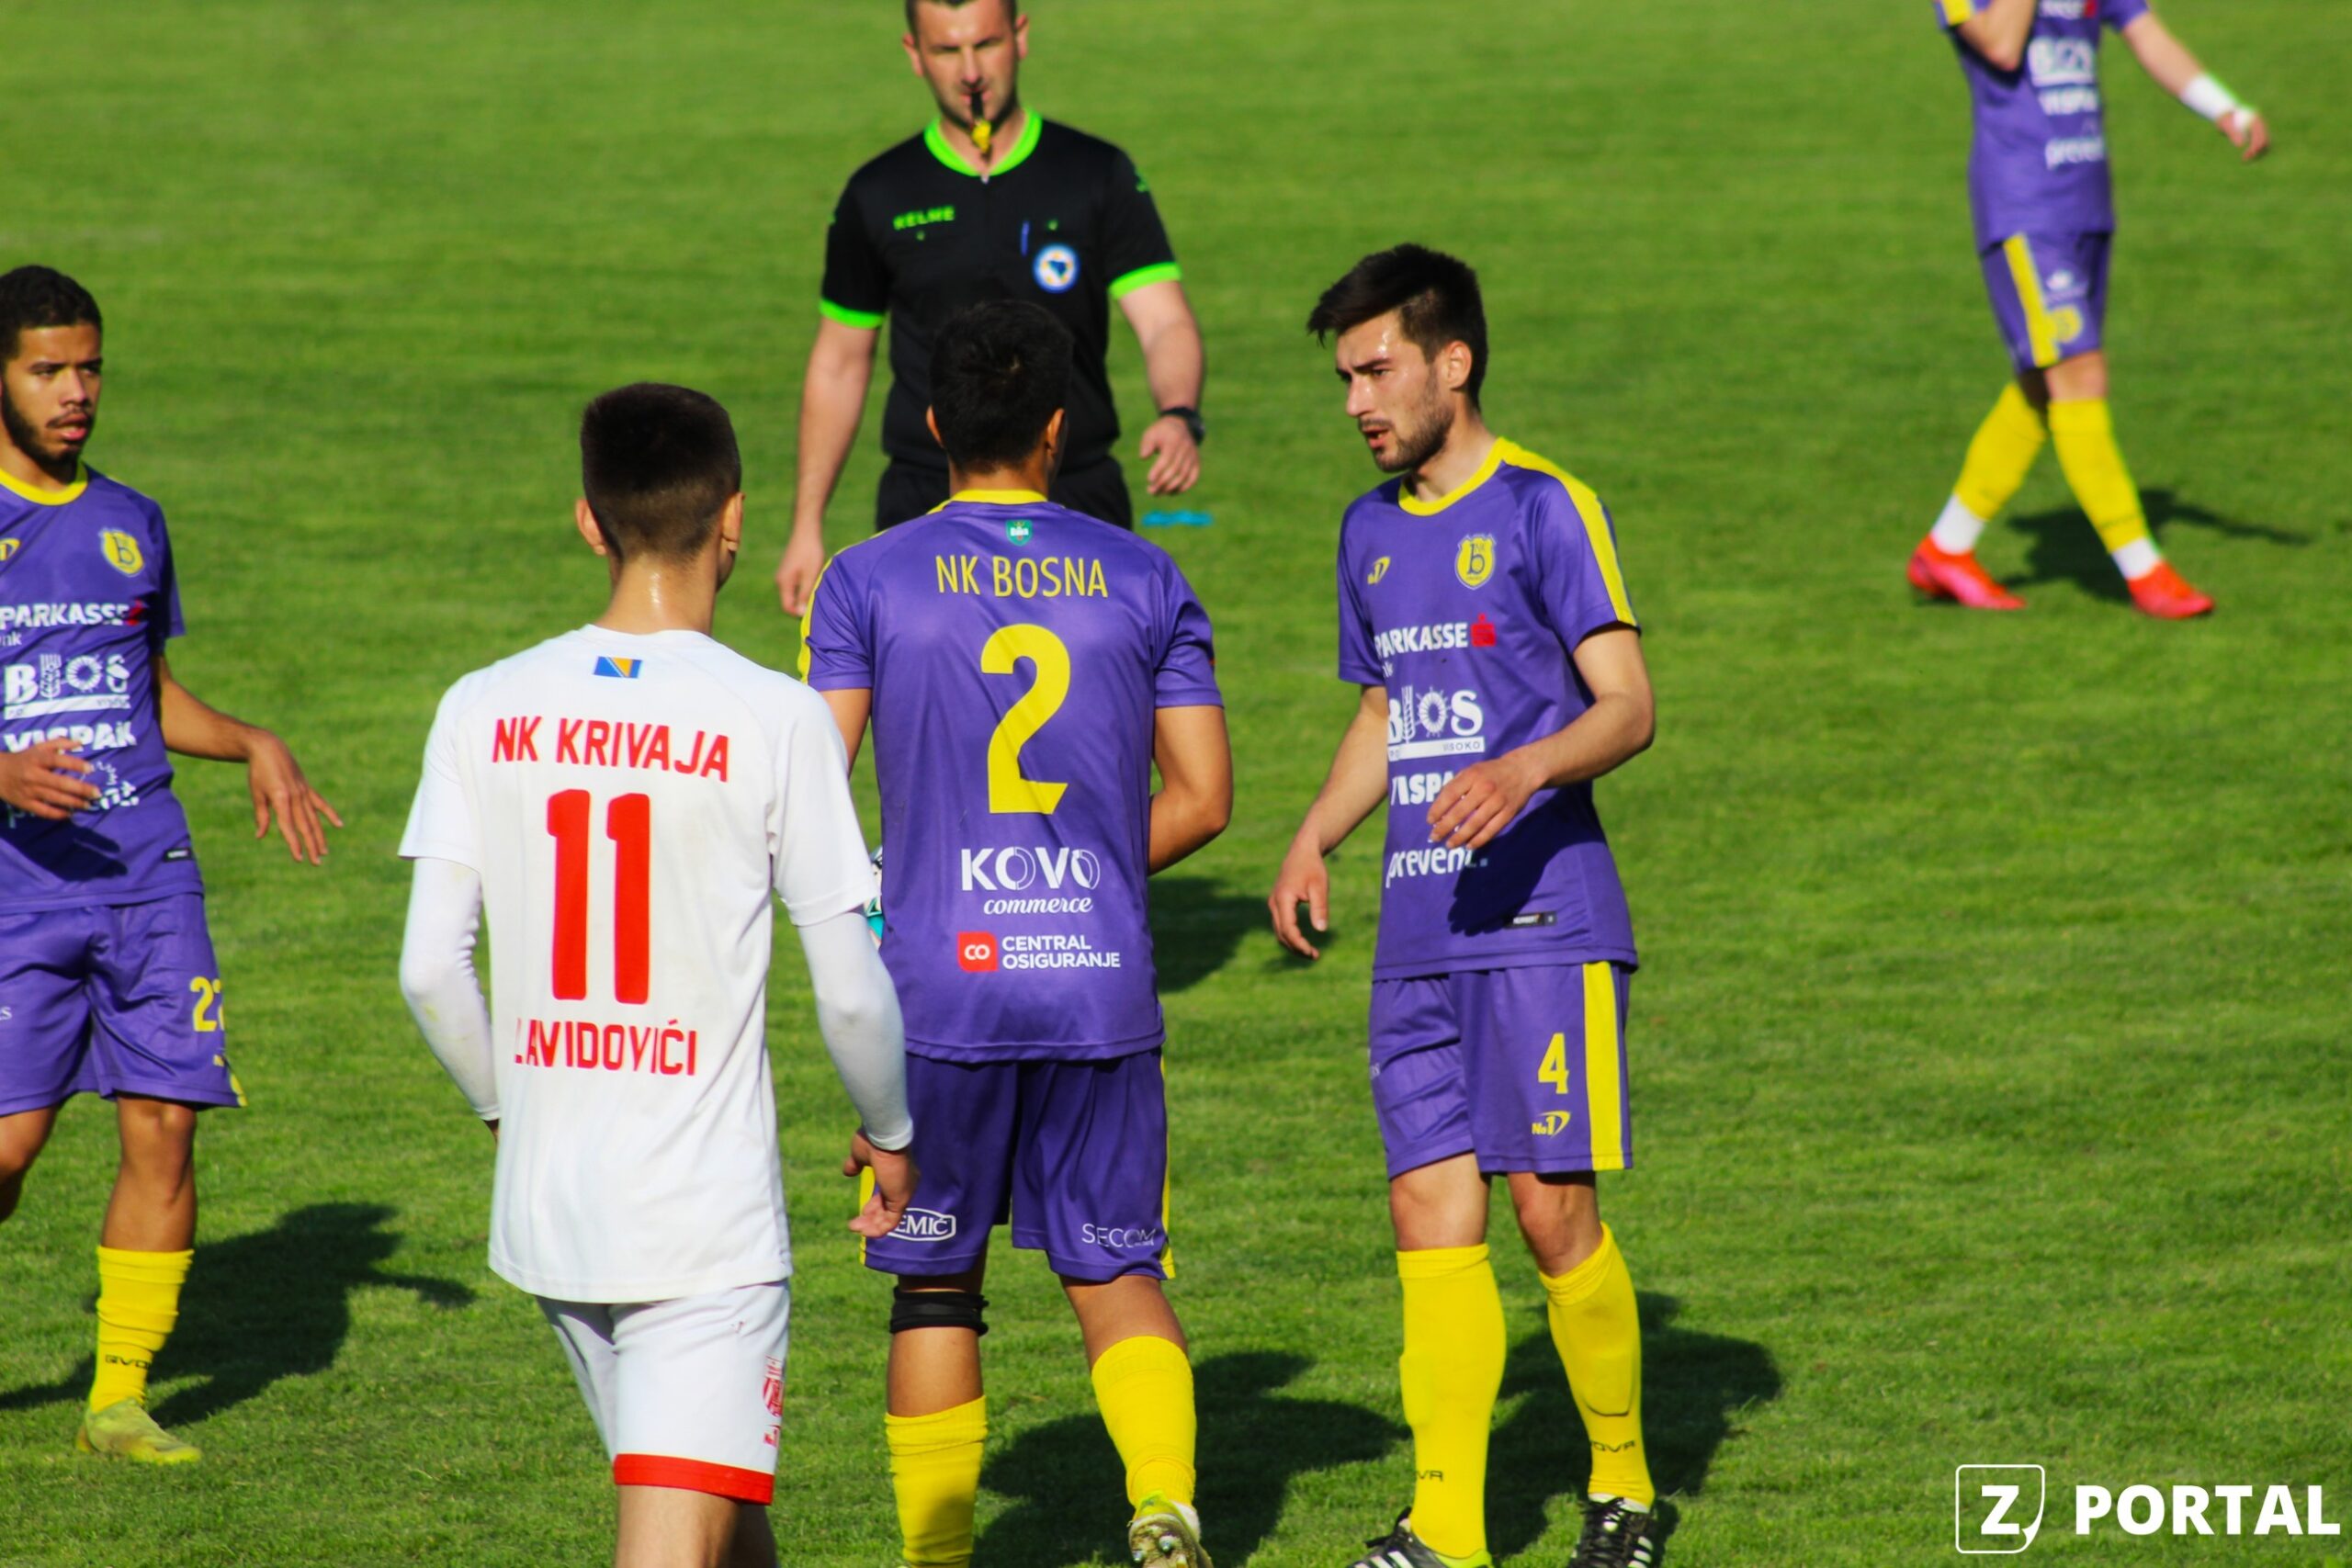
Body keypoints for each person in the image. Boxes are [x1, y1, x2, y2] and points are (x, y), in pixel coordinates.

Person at [395, 383, 918, 1568]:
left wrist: (507, 1108)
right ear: (734, 518)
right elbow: (849, 988)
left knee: (721, 1522)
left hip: (552, 1213)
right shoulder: (776, 719)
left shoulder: (482, 704)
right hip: (699, 1230)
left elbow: (430, 971)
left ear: (590, 521)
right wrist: (892, 1131)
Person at [799, 300, 1232, 1568]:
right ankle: (1163, 1504)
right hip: (1097, 984)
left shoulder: (866, 578)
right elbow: (1204, 797)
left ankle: (939, 1558)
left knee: (936, 1284)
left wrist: (911, 894)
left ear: (934, 423)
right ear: (1058, 425)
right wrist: (1082, 868)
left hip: (940, 993)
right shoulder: (1146, 576)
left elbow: (811, 798)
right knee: (1116, 1271)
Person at [1269, 247, 1664, 1568]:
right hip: (1416, 935)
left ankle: (1623, 1490)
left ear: (1454, 361)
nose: (1356, 402)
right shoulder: (1368, 531)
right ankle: (1445, 1526)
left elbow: (1628, 706)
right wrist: (1315, 833)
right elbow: (1385, 709)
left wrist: (1524, 767)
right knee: (1428, 1218)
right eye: (1344, 378)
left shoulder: (1549, 507)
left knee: (1551, 1212)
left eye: (1376, 371)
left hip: (1546, 923)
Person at [0, 265, 341, 1466]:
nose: (76, 391)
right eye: (48, 370)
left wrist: (249, 738)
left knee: (163, 1123)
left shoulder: (132, 520)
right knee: (10, 1149)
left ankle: (117, 1401)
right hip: (19, 886)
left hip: (148, 872)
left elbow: (143, 692)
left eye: (89, 367)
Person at [773, 0, 1207, 615]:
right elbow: (839, 362)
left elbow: (1164, 320)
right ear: (914, 54)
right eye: (947, 50)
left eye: (986, 44)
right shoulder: (878, 193)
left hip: (1073, 490)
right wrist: (806, 524)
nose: (971, 72)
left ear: (1019, 36)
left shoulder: (1094, 173)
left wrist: (1179, 412)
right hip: (927, 500)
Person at [1907, 0, 2269, 617]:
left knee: (2042, 385)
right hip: (2024, 207)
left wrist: (2223, 106)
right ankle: (2145, 570)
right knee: (2078, 373)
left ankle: (1946, 549)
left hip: (2086, 200)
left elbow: (2147, 34)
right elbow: (2000, 46)